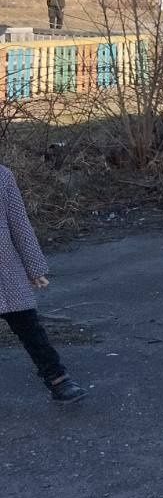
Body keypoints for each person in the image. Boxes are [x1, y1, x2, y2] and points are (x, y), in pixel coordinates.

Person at [1, 163, 87, 402]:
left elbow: (20, 225)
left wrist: (34, 267)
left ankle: (57, 378)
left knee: (30, 328)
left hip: (6, 272)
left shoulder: (3, 176)